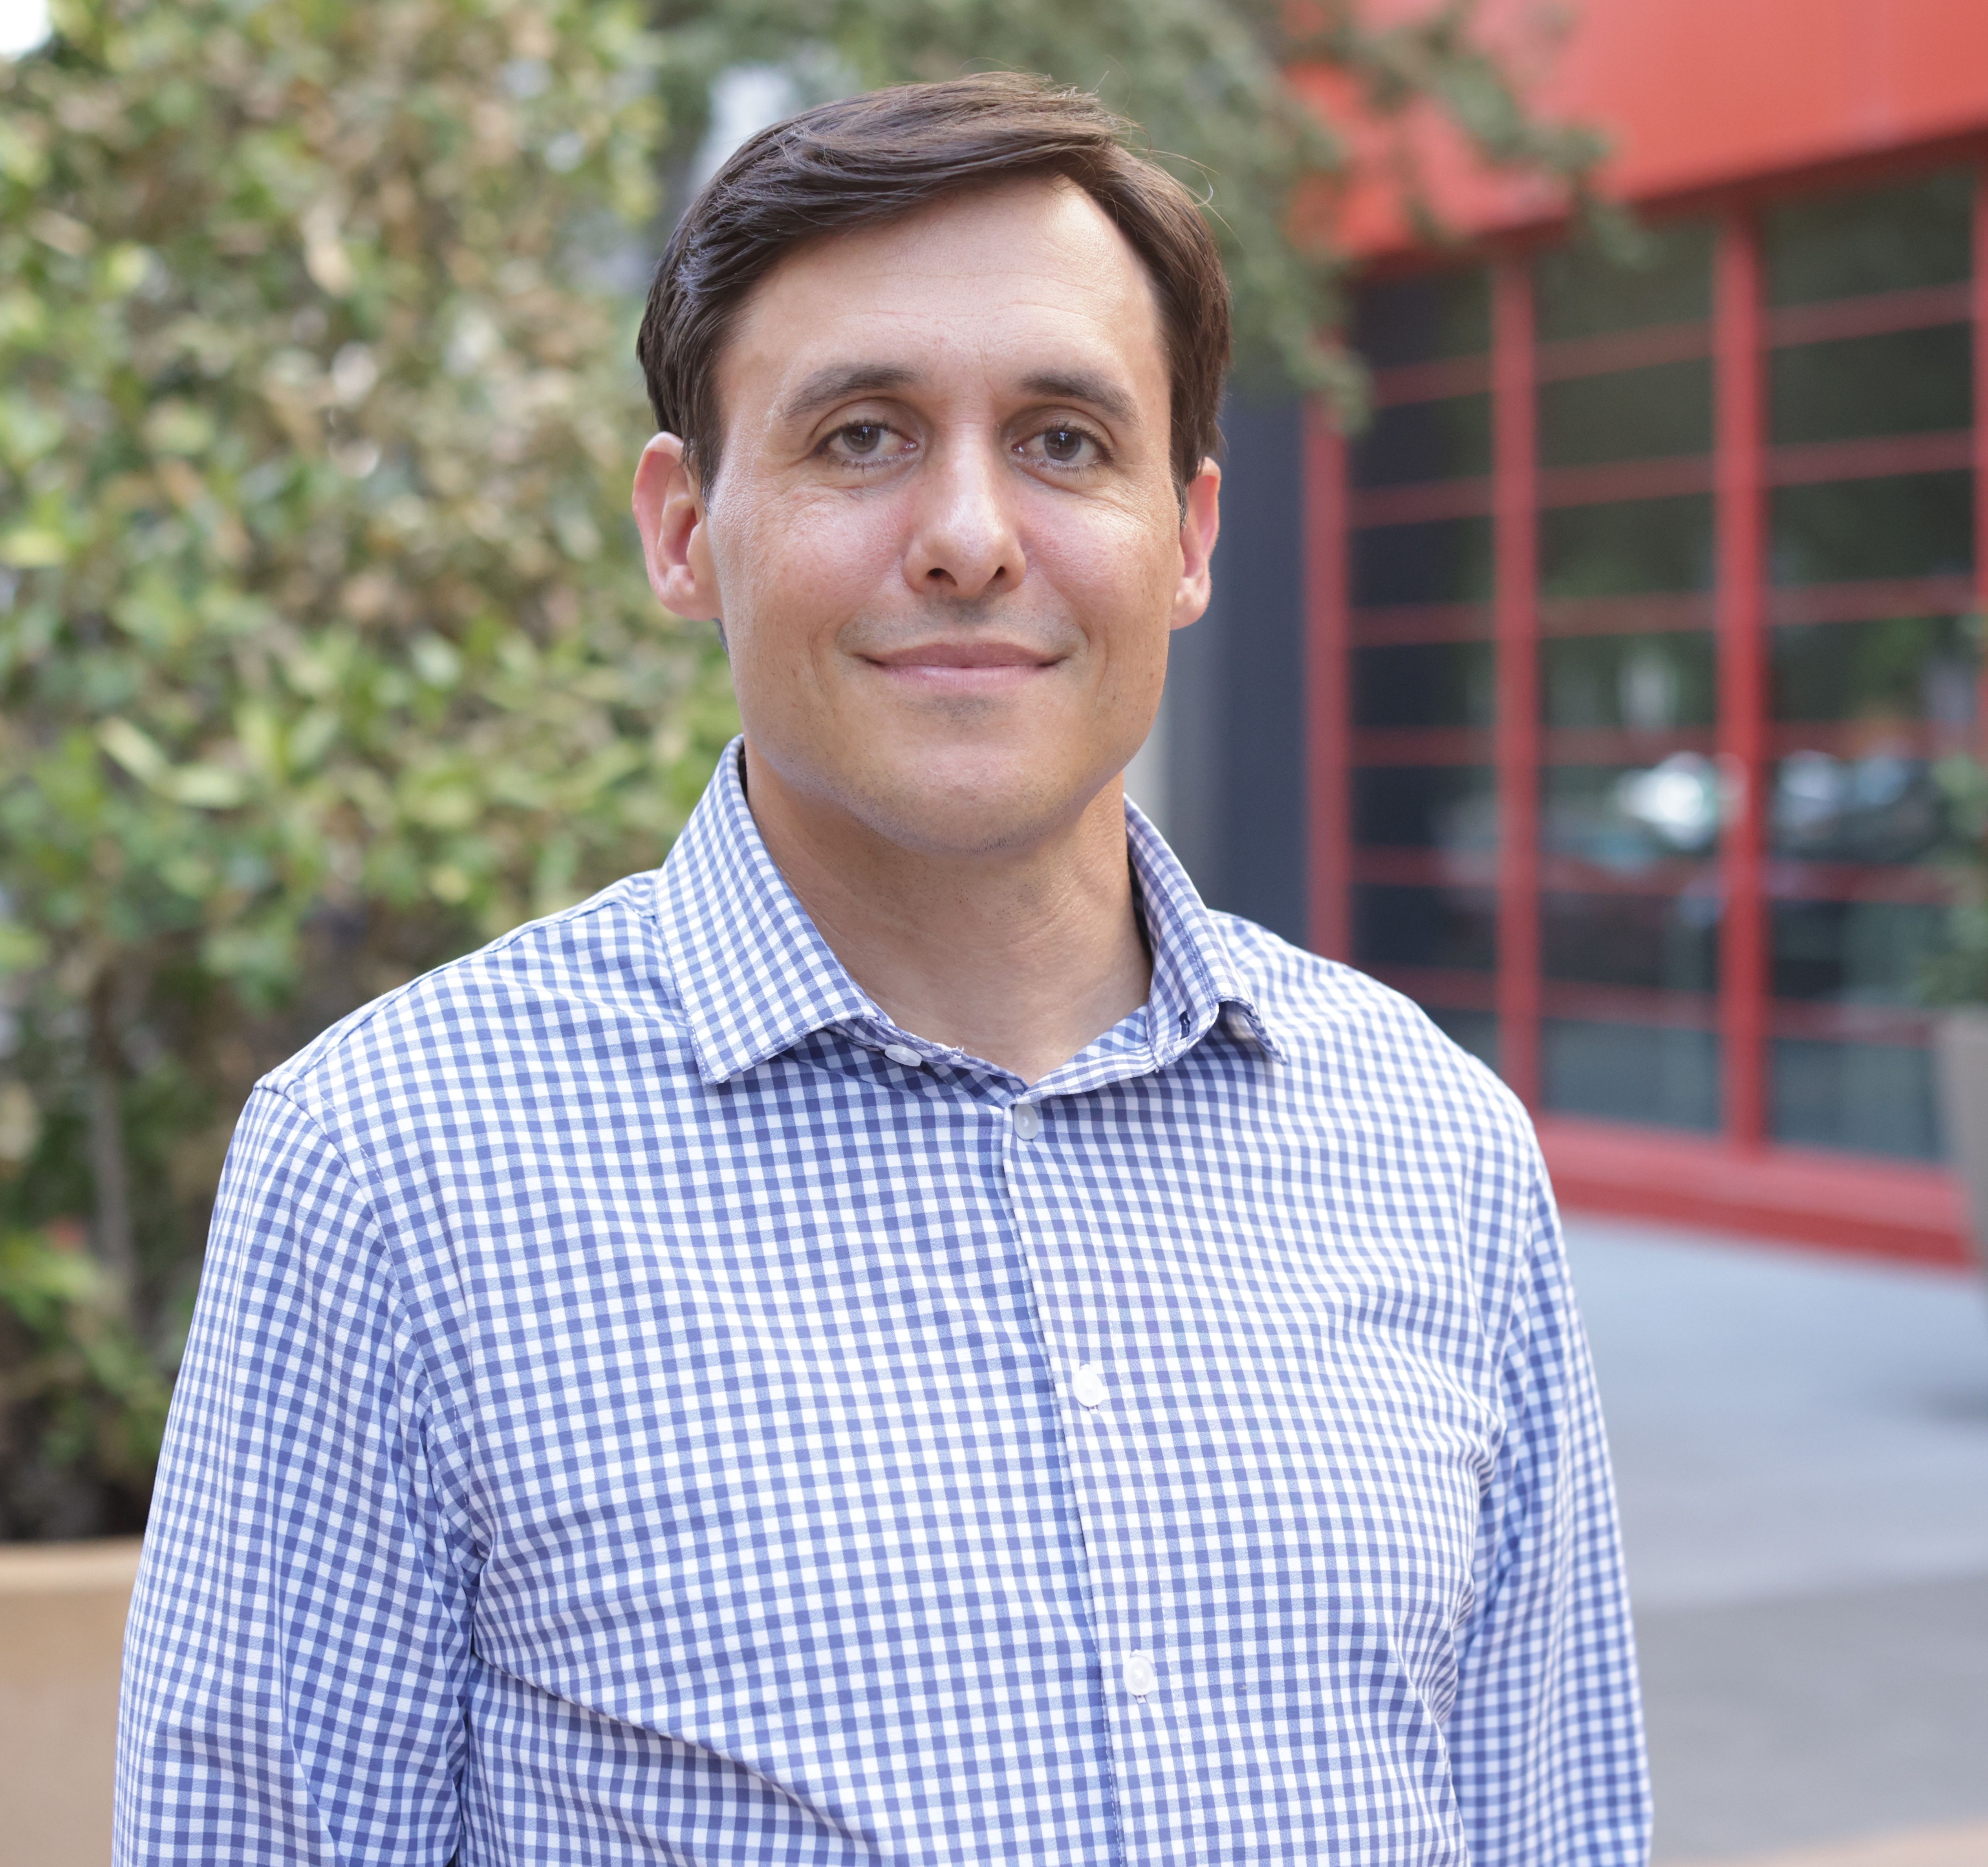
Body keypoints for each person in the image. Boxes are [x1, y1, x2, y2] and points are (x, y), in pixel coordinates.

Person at [116, 73, 1649, 1865]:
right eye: (860, 436)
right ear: (683, 530)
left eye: (1063, 440)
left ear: (1188, 538)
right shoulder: (391, 1169)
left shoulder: (1433, 1144)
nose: (970, 536)